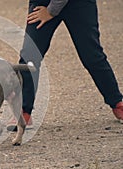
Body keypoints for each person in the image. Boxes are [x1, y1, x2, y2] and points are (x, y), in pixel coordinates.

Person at [7, 0, 123, 131]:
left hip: (79, 4)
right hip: (42, 3)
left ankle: (117, 103)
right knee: (30, 56)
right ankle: (24, 110)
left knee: (91, 56)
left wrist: (51, 11)